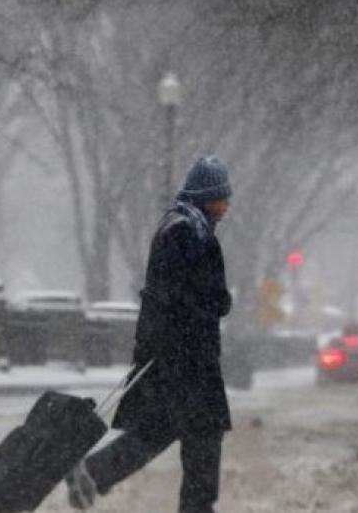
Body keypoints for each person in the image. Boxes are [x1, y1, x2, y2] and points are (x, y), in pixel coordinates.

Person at [66, 155, 233, 513]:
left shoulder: (178, 226)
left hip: (171, 354)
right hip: (188, 358)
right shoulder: (190, 232)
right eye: (222, 198)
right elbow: (191, 295)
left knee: (160, 429)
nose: (226, 207)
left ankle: (94, 473)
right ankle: (196, 508)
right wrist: (218, 301)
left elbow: (169, 292)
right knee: (202, 434)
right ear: (206, 195)